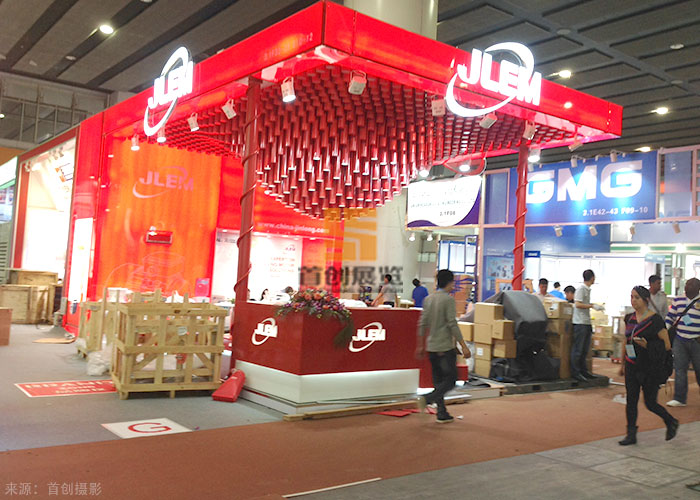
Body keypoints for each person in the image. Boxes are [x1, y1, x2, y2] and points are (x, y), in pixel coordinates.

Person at [619, 286, 678, 445]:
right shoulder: (629, 318)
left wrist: (648, 345)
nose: (633, 300)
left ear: (645, 300)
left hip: (649, 368)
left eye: (637, 297)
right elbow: (626, 341)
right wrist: (622, 363)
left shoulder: (655, 320)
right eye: (631, 297)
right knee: (631, 401)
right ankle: (631, 434)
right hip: (631, 365)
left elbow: (667, 345)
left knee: (650, 403)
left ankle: (670, 421)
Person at [416, 269, 470, 424]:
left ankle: (441, 413)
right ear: (450, 282)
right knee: (451, 379)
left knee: (438, 380)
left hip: (431, 346)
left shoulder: (428, 299)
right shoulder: (448, 300)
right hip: (444, 346)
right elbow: (452, 324)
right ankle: (427, 399)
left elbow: (422, 323)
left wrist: (420, 345)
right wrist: (463, 345)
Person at [665, 277, 700, 407]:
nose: (687, 287)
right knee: (680, 370)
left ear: (698, 288)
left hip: (697, 341)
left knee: (699, 370)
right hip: (680, 340)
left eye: (691, 285)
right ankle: (679, 398)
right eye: (686, 284)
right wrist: (664, 331)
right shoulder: (678, 300)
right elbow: (670, 317)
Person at [572, 269, 604, 382]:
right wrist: (592, 306)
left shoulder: (587, 289)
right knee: (578, 349)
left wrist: (592, 306)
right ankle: (576, 372)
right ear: (592, 278)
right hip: (580, 323)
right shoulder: (581, 289)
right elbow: (577, 304)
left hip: (586, 322)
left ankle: (584, 371)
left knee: (585, 350)